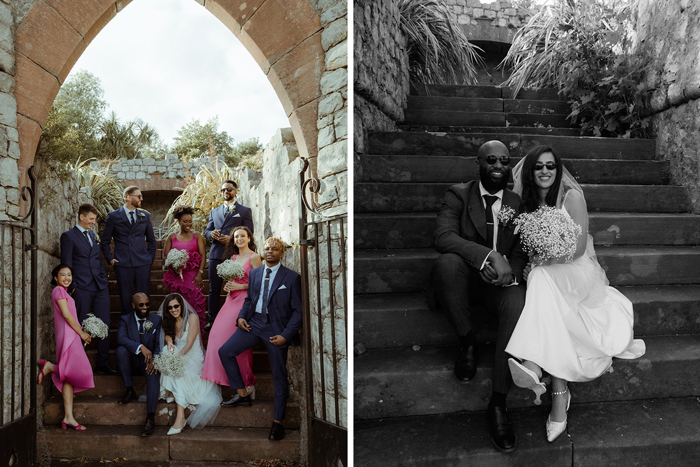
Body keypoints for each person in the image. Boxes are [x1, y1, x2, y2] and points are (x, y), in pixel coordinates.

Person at [505, 145, 646, 442]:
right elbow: (527, 249)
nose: (545, 171)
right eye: (539, 167)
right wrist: (533, 265)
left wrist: (542, 264)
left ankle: (532, 362)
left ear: (558, 171)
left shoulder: (572, 197)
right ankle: (559, 394)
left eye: (551, 166)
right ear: (531, 172)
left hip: (579, 271)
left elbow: (578, 249)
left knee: (541, 278)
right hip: (549, 273)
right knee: (541, 281)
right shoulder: (527, 206)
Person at [426, 140, 528, 453]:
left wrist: (506, 269)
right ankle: (467, 340)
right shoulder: (458, 194)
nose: (498, 167)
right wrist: (486, 257)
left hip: (498, 286)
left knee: (518, 302)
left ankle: (498, 402)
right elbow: (443, 237)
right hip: (462, 280)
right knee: (447, 261)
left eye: (504, 161)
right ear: (479, 163)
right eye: (491, 161)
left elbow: (522, 250)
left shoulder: (515, 202)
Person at [218, 237, 302, 441]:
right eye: (267, 248)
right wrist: (241, 317)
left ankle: (278, 422)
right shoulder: (255, 274)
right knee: (225, 351)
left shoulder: (292, 277)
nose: (270, 251)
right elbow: (249, 299)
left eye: (275, 249)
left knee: (279, 376)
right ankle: (242, 395)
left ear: (282, 253)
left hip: (275, 330)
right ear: (262, 252)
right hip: (253, 325)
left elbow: (298, 312)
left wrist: (285, 335)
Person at [202, 226, 261, 393]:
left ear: (249, 238)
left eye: (243, 236)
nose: (239, 239)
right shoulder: (233, 257)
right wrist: (229, 286)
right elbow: (232, 280)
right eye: (236, 237)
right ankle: (223, 377)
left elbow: (260, 285)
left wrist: (240, 285)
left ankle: (247, 383)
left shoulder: (254, 257)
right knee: (215, 335)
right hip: (231, 299)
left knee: (236, 339)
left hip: (245, 301)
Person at [60, 204, 116, 375]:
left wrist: (102, 280)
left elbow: (98, 260)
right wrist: (73, 287)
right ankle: (79, 364)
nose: (93, 222)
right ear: (82, 217)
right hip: (82, 288)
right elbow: (66, 264)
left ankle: (103, 363)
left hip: (100, 287)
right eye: (91, 219)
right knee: (81, 325)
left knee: (105, 324)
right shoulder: (68, 236)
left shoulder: (93, 236)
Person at [37, 264, 95, 431]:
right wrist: (81, 333)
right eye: (63, 275)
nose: (67, 278)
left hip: (70, 334)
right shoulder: (59, 291)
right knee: (78, 372)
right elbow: (67, 315)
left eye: (69, 274)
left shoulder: (64, 292)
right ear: (56, 277)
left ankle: (68, 417)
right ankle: (50, 367)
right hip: (68, 335)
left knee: (69, 377)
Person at [157, 293, 222, 435]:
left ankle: (180, 416)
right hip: (179, 351)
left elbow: (190, 343)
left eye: (176, 306)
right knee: (165, 351)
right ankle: (180, 413)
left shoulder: (193, 318)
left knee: (177, 365)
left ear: (181, 305)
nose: (174, 309)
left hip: (192, 355)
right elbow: (168, 334)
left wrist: (177, 359)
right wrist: (169, 342)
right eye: (170, 308)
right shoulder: (170, 320)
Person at [204, 180, 254, 326]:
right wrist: (211, 234)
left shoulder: (244, 211)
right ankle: (212, 319)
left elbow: (249, 232)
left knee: (234, 285)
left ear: (235, 191)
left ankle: (235, 316)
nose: (226, 192)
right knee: (214, 288)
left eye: (229, 189)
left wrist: (231, 239)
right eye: (223, 190)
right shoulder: (214, 212)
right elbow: (207, 231)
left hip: (235, 254)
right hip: (216, 254)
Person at [102, 186, 156, 315]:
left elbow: (151, 240)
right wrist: (110, 259)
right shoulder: (113, 216)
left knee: (144, 299)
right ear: (128, 197)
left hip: (142, 263)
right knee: (125, 300)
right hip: (123, 264)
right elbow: (105, 241)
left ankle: (145, 329)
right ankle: (127, 329)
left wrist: (149, 259)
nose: (141, 199)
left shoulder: (145, 216)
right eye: (138, 196)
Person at [115, 292, 162, 437]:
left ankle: (150, 418)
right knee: (121, 351)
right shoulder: (125, 319)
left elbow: (158, 344)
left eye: (147, 304)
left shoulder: (156, 319)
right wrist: (140, 347)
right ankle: (130, 389)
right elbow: (121, 338)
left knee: (153, 373)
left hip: (148, 362)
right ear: (133, 305)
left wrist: (155, 359)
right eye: (141, 304)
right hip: (132, 361)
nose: (145, 307)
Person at [163, 206, 207, 332]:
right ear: (179, 222)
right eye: (185, 221)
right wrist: (173, 266)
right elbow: (166, 257)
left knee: (194, 305)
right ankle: (178, 335)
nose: (188, 224)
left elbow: (203, 255)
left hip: (193, 277)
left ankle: (194, 336)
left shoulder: (197, 236)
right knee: (177, 307)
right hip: (176, 278)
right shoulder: (172, 237)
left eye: (190, 221)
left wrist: (200, 273)